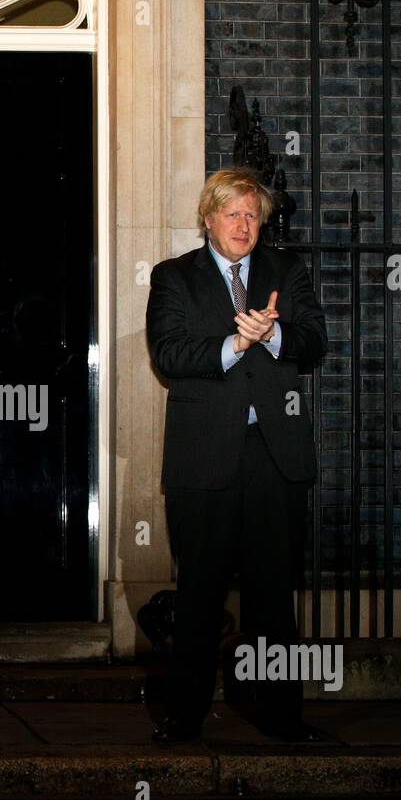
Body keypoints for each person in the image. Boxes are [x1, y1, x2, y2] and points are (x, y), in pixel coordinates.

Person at [145, 166, 327, 744]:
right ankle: (183, 716)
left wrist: (273, 337)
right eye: (233, 214)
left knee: (274, 596)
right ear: (208, 220)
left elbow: (315, 343)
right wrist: (234, 343)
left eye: (252, 215)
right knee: (200, 592)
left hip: (276, 458)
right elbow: (168, 354)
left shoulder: (286, 271)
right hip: (205, 459)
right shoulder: (175, 277)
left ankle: (280, 715)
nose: (244, 225)